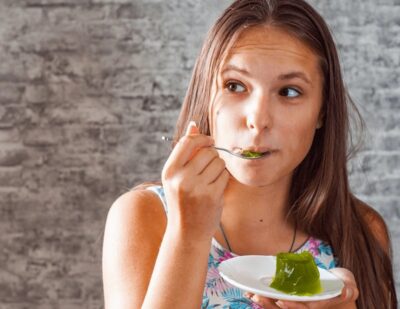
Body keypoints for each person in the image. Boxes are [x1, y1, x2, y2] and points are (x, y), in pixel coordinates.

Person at [102, 0, 397, 308]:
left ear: (322, 111)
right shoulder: (144, 218)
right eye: (235, 85)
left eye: (289, 92)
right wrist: (188, 233)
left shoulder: (361, 231)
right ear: (207, 96)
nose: (258, 119)